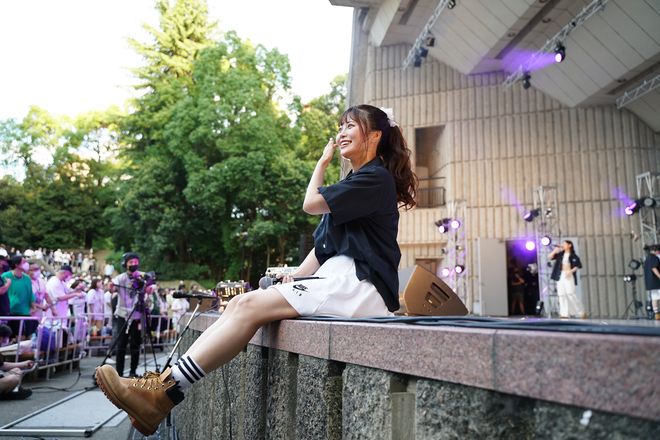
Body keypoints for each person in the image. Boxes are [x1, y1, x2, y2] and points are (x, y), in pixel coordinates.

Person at [95, 104, 418, 435]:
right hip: (339, 279)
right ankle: (161, 391)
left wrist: (321, 163)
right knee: (238, 302)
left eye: (350, 126)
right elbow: (322, 250)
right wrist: (293, 277)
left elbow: (310, 204)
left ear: (374, 136)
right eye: (340, 126)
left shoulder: (375, 178)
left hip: (358, 285)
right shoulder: (356, 183)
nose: (341, 133)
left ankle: (163, 392)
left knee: (248, 304)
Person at [109, 252, 148, 378]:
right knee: (121, 345)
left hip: (137, 315)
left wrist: (147, 286)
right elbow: (112, 288)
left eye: (136, 262)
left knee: (135, 345)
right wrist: (111, 287)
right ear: (125, 264)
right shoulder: (120, 278)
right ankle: (119, 373)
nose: (133, 264)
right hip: (123, 315)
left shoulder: (142, 276)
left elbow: (149, 288)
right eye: (131, 262)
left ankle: (133, 371)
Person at [1, 256, 37, 338]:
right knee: (9, 337)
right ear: (16, 265)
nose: (26, 264)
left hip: (24, 313)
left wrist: (33, 306)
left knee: (24, 337)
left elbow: (30, 293)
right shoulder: (5, 276)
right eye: (24, 262)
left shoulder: (27, 278)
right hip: (10, 313)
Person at [549, 240, 586, 318]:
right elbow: (550, 257)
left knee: (570, 293)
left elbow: (578, 265)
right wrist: (555, 251)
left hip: (568, 274)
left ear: (570, 245)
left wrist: (571, 271)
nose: (563, 245)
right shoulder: (560, 254)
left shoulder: (573, 255)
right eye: (562, 244)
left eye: (565, 244)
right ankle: (564, 314)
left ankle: (581, 312)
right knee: (561, 294)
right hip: (560, 275)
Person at [643, 244, 660, 320]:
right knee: (656, 297)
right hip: (657, 281)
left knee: (655, 297)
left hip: (651, 282)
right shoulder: (654, 258)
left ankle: (657, 314)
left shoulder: (647, 258)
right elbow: (654, 268)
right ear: (656, 250)